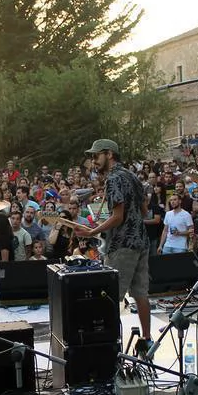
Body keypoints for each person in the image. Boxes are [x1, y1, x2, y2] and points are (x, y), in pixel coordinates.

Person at [75, 139, 153, 351]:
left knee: (109, 297)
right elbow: (144, 211)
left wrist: (92, 231)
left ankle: (108, 344)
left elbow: (118, 217)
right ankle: (147, 340)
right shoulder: (131, 175)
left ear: (109, 154)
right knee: (140, 294)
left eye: (96, 156)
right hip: (141, 241)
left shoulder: (114, 179)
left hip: (122, 245)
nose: (93, 161)